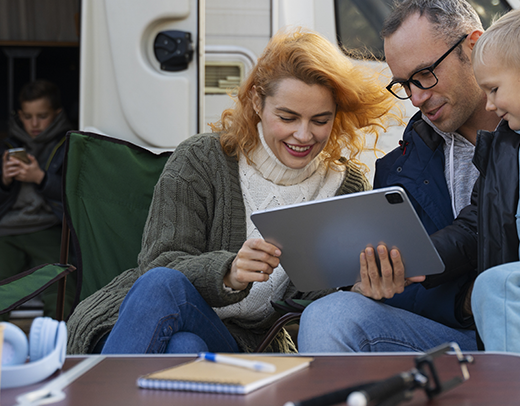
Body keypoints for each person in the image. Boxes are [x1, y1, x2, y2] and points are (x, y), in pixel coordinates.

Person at [66, 28, 398, 354]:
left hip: (239, 342)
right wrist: (230, 273)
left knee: (189, 344)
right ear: (257, 102)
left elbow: (317, 303)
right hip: (140, 318)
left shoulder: (345, 186)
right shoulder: (202, 159)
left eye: (320, 120)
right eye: (287, 116)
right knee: (176, 324)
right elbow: (158, 265)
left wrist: (357, 288)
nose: (303, 135)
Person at [298, 0, 499, 353]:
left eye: (424, 74)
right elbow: (407, 295)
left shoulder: (513, 138)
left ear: (473, 46)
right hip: (450, 341)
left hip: (510, 327)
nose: (417, 97)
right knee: (329, 315)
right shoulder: (397, 170)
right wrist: (375, 289)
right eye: (405, 84)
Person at [422, 9, 520, 352]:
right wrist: (421, 258)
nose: (489, 106)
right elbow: (477, 220)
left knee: (496, 284)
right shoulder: (505, 147)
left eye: (494, 89)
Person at [0, 79, 73, 319]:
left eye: (42, 116)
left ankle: (58, 350)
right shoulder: (8, 145)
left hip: (48, 227)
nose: (34, 124)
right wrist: (5, 182)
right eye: (27, 116)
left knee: (62, 290)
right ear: (19, 115)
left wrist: (40, 178)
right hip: (8, 230)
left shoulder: (69, 144)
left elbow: (73, 196)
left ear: (57, 113)